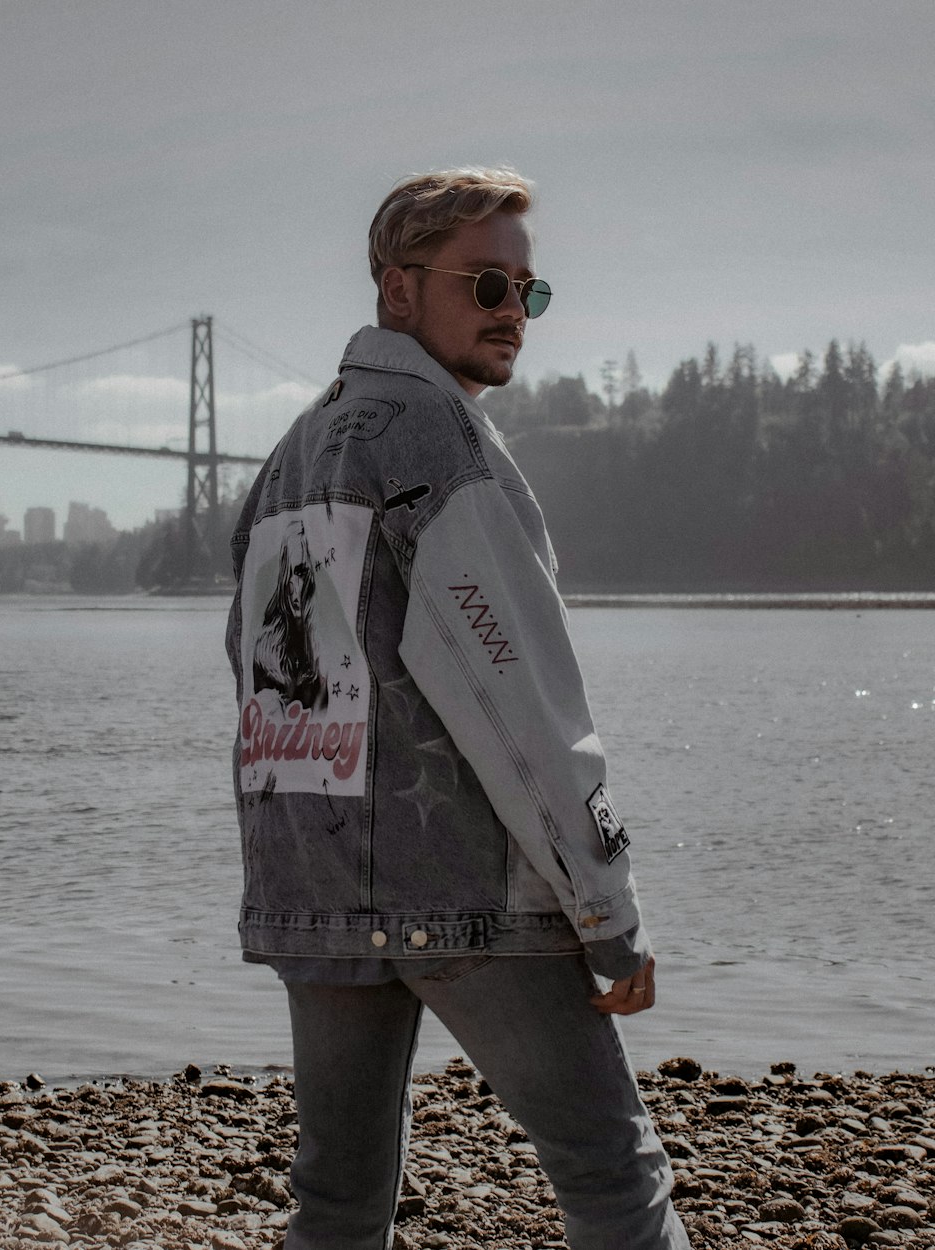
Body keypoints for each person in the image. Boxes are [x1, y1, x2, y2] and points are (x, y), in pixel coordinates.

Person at [226, 167, 691, 1250]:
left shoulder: (284, 463)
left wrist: (291, 887)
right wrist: (607, 912)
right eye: (485, 286)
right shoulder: (442, 447)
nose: (512, 317)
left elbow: (264, 690)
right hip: (469, 890)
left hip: (320, 890)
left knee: (336, 1207)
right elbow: (519, 704)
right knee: (614, 1179)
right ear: (398, 291)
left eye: (527, 293)